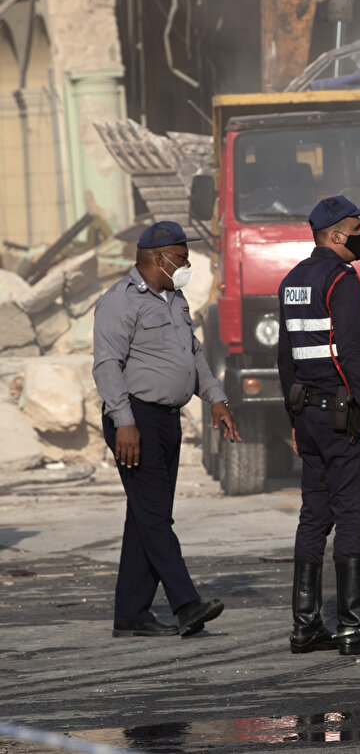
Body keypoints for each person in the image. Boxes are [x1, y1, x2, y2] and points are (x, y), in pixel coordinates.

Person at [276, 195, 360, 656]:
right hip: (342, 415)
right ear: (335, 235)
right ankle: (354, 627)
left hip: (309, 416)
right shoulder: (343, 280)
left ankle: (305, 626)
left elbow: (285, 357)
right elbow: (351, 355)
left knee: (314, 515)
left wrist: (293, 420)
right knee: (351, 514)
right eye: (356, 227)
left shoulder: (293, 280)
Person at [93, 220, 240, 638]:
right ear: (158, 259)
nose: (188, 263)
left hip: (166, 421)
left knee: (145, 516)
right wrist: (124, 423)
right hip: (135, 421)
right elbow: (107, 367)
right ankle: (186, 603)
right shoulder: (119, 302)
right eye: (181, 257)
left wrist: (214, 397)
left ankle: (131, 614)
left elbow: (192, 353)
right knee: (155, 516)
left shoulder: (174, 299)